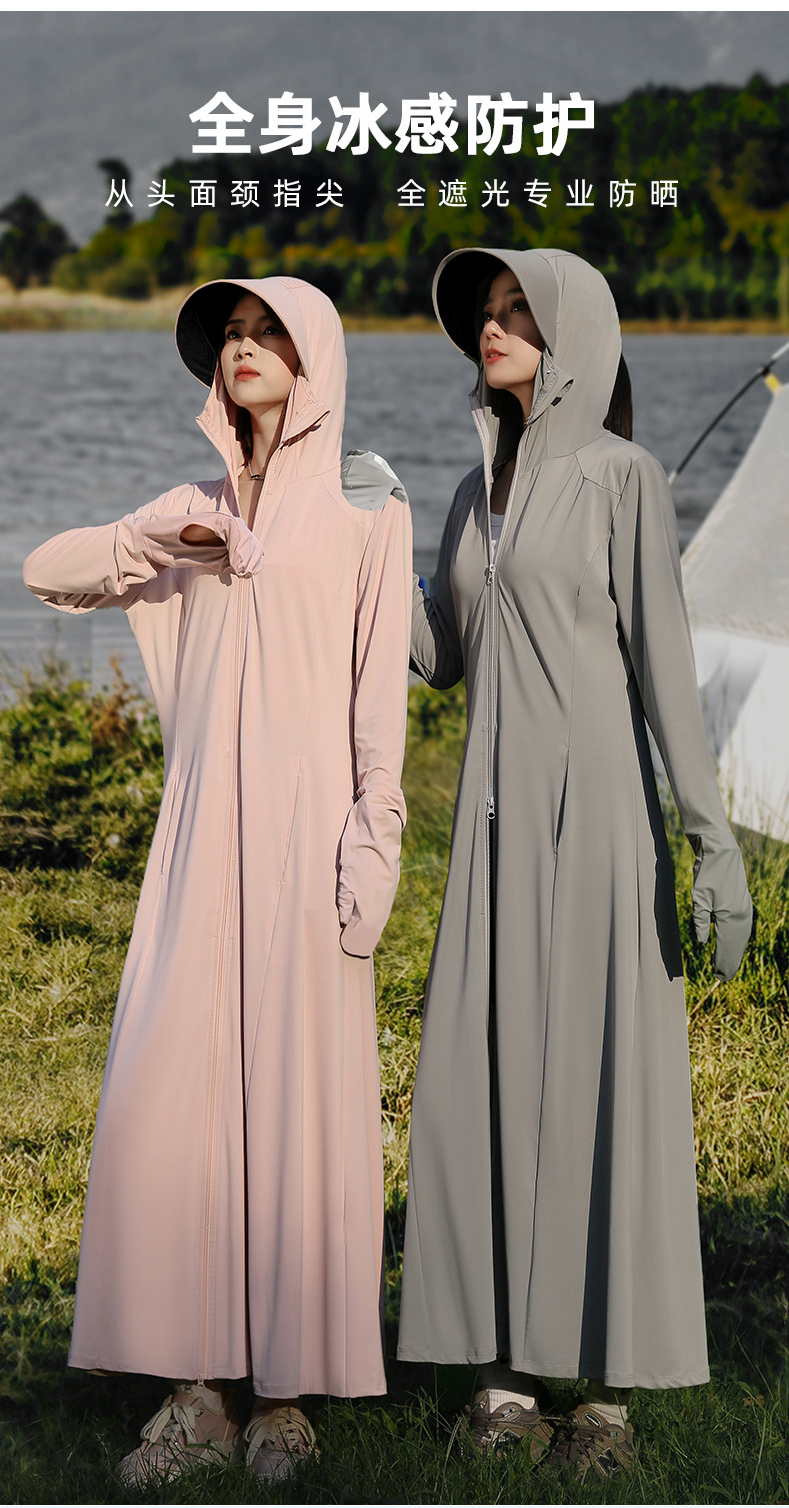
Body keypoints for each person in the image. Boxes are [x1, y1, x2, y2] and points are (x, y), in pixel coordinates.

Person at [22, 276, 412, 1483]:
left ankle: (284, 1397)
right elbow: (46, 570)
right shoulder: (190, 505)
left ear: (313, 354)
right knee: (175, 1098)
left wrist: (374, 840)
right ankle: (197, 1391)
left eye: (264, 332)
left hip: (310, 838)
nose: (242, 349)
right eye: (228, 336)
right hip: (197, 843)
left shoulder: (368, 504)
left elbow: (377, 698)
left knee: (296, 1106)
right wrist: (163, 543)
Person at [396, 248, 752, 1478]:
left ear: (574, 337)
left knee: (603, 1080)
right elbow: (439, 653)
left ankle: (604, 1396)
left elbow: (664, 665)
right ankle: (500, 1373)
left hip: (597, 822)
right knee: (483, 1079)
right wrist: (365, 548)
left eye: (518, 312)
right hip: (490, 835)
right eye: (484, 315)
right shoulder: (468, 489)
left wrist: (709, 839)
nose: (492, 329)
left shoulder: (621, 475)